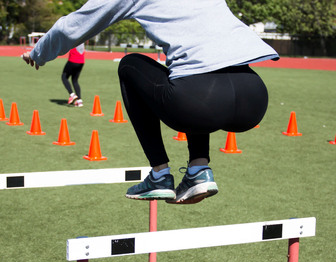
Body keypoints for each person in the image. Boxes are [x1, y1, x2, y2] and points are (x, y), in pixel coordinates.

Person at [22, 0, 279, 204]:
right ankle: (198, 169)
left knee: (130, 65)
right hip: (254, 96)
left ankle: (159, 174)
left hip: (200, 102)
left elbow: (75, 25)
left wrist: (39, 52)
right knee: (187, 71)